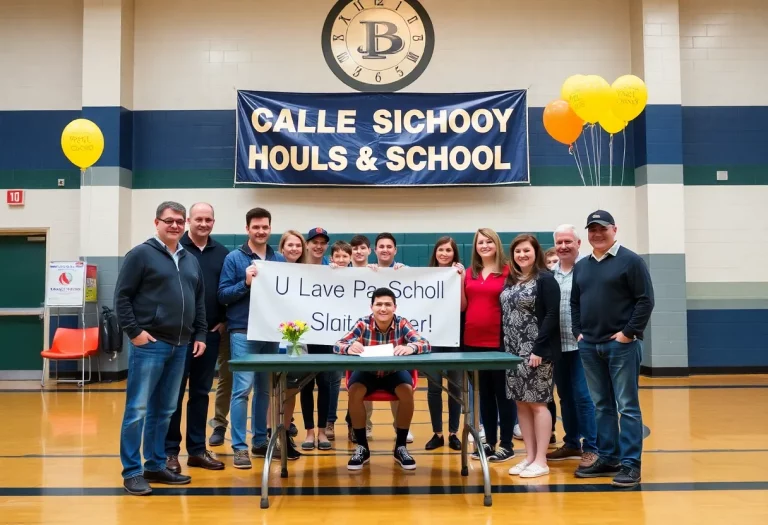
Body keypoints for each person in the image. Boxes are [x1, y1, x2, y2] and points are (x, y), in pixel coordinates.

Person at [116, 201, 207, 495]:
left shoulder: (190, 259)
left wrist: (200, 333)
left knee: (165, 410)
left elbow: (200, 301)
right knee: (138, 409)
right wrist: (134, 332)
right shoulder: (141, 254)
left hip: (180, 345)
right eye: (169, 221)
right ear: (157, 223)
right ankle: (132, 471)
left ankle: (155, 465)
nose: (176, 226)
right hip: (150, 344)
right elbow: (122, 297)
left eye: (180, 221)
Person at [571, 210, 654, 489]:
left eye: (602, 229)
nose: (597, 234)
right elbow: (575, 303)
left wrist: (628, 334)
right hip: (589, 345)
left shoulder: (631, 261)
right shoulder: (582, 266)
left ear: (614, 230)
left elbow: (645, 301)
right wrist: (578, 332)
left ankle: (631, 464)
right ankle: (608, 457)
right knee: (602, 405)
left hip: (621, 346)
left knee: (627, 406)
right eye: (592, 229)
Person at [218, 207, 298, 470]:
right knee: (242, 389)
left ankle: (260, 441)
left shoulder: (278, 259)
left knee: (266, 389)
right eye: (256, 227)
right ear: (247, 229)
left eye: (265, 227)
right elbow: (223, 295)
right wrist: (246, 283)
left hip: (270, 332)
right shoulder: (234, 258)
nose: (261, 231)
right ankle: (239, 447)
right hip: (243, 331)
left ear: (270, 229)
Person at [334, 287, 431, 471]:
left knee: (406, 391)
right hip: (367, 372)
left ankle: (400, 446)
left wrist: (412, 348)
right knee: (354, 392)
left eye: (388, 304)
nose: (383, 308)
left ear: (395, 307)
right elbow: (339, 344)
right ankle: (362, 447)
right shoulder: (362, 324)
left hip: (393, 372)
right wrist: (349, 347)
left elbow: (424, 343)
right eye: (379, 304)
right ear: (372, 307)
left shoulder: (402, 323)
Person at [164, 203, 228, 474]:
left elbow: (226, 289)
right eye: (199, 219)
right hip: (177, 337)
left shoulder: (223, 253)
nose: (203, 224)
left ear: (214, 222)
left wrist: (224, 320)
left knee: (201, 393)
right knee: (174, 395)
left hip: (210, 335)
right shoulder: (175, 249)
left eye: (208, 219)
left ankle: (197, 450)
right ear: (189, 220)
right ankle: (169, 452)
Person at [502, 234, 561, 479]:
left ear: (535, 252)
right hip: (512, 351)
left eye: (526, 250)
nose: (522, 255)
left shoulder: (545, 279)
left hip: (535, 351)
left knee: (538, 403)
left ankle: (541, 459)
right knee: (521, 403)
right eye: (517, 252)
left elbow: (551, 315)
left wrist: (539, 349)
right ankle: (528, 456)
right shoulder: (512, 280)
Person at [462, 228, 517, 462]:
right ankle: (490, 443)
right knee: (483, 395)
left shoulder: (509, 271)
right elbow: (463, 306)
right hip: (472, 342)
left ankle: (506, 444)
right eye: (480, 242)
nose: (484, 246)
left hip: (499, 341)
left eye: (488, 241)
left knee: (503, 395)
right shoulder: (468, 273)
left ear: (497, 244)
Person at [546, 225, 598, 469]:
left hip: (582, 346)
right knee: (565, 396)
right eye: (559, 242)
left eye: (568, 241)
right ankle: (571, 443)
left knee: (583, 397)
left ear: (578, 244)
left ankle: (592, 447)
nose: (564, 246)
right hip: (558, 347)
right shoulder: (549, 275)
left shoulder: (589, 270)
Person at [425, 236, 465, 451]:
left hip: (454, 339)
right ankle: (437, 433)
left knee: (455, 388)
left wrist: (460, 279)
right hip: (431, 340)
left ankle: (453, 433)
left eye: (448, 250)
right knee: (433, 388)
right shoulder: (425, 276)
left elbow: (462, 307)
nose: (444, 253)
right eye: (441, 249)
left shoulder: (459, 274)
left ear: (454, 253)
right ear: (435, 252)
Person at [300, 227, 335, 450]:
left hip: (326, 334)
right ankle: (309, 431)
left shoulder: (333, 270)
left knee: (325, 383)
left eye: (323, 242)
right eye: (315, 241)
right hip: (301, 334)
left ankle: (322, 431)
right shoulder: (295, 269)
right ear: (308, 244)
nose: (319, 245)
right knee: (305, 384)